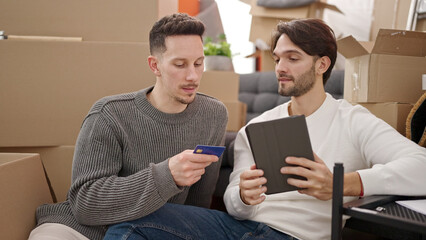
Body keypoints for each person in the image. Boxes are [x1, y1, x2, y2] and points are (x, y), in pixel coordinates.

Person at [104, 18, 426, 240]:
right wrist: (244, 195)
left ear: (322, 65)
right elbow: (233, 201)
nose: (280, 69)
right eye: (276, 59)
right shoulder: (257, 127)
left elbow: (422, 167)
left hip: (294, 236)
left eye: (292, 58)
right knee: (134, 220)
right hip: (234, 229)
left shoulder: (353, 121)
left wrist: (344, 184)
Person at [28, 13, 228, 240]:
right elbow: (85, 203)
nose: (193, 75)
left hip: (150, 231)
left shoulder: (213, 115)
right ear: (155, 65)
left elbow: (196, 208)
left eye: (199, 63)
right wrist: (167, 176)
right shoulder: (109, 114)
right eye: (180, 64)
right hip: (81, 230)